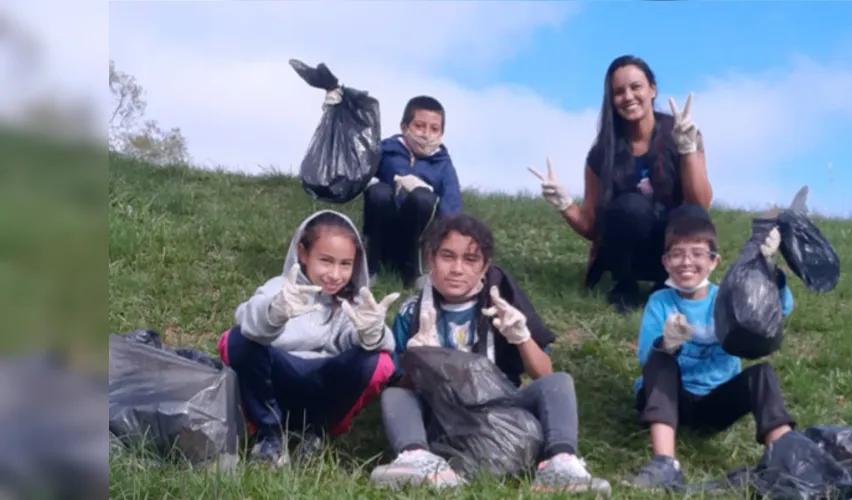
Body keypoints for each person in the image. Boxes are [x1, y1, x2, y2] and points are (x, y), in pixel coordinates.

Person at [368, 213, 611, 494]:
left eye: (470, 260)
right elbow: (402, 387)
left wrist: (521, 337)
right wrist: (420, 359)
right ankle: (416, 459)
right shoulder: (412, 313)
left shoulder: (503, 307)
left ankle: (560, 463)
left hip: (503, 408)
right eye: (447, 256)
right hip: (444, 417)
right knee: (394, 395)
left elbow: (543, 372)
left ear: (485, 268)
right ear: (430, 259)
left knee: (559, 382)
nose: (457, 268)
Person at [623, 209, 798, 490]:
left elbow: (779, 310)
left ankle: (790, 458)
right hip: (668, 399)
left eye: (697, 254)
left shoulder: (728, 297)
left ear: (714, 261)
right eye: (677, 254)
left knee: (762, 374)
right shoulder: (660, 301)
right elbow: (647, 360)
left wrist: (770, 270)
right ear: (665, 263)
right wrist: (668, 344)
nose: (686, 262)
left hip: (714, 402)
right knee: (661, 357)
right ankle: (664, 462)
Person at [528, 55, 713, 313]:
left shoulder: (679, 132)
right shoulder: (602, 152)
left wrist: (688, 149)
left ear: (652, 89)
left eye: (636, 87)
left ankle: (667, 286)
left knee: (685, 214)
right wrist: (565, 205)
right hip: (629, 254)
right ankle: (624, 286)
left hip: (674, 250)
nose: (628, 96)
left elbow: (699, 206)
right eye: (619, 91)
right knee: (630, 206)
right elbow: (593, 228)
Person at [215, 210, 400, 467]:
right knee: (235, 339)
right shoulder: (281, 288)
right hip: (276, 385)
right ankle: (268, 434)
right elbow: (245, 320)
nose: (335, 274)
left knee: (378, 361)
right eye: (326, 260)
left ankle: (317, 432)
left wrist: (371, 332)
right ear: (303, 253)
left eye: (345, 264)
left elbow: (376, 345)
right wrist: (274, 314)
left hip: (324, 389)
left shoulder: (354, 301)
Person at [363, 95, 463, 287]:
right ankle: (370, 266)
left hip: (416, 237)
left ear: (442, 133)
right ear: (404, 127)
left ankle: (414, 272)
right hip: (383, 229)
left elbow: (453, 211)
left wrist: (426, 192)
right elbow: (355, 176)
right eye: (419, 126)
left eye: (434, 129)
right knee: (379, 191)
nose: (426, 134)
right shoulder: (385, 150)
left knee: (422, 198)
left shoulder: (443, 165)